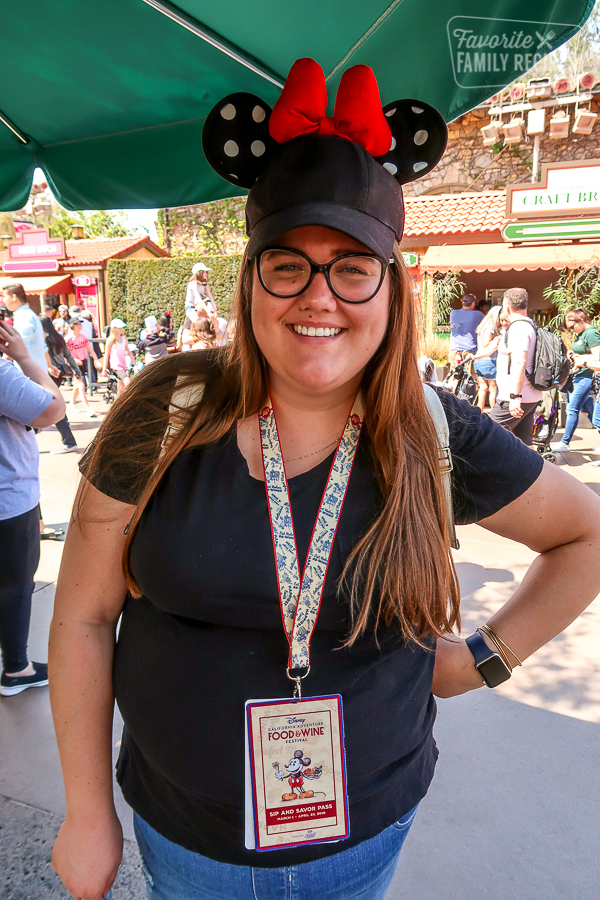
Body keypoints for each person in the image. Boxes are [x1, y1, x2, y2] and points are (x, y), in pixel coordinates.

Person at [49, 58, 600, 900]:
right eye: (288, 264)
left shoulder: (434, 428)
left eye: (351, 265)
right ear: (250, 279)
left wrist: (485, 659)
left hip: (367, 831)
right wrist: (85, 811)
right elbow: (84, 617)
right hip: (186, 838)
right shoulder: (163, 410)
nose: (319, 297)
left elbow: (585, 533)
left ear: (391, 286)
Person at [0, 319, 66, 696]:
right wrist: (24, 357)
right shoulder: (3, 373)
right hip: (8, 500)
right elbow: (51, 409)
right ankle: (17, 669)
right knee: (14, 585)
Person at [488, 288, 543, 446]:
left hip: (513, 398)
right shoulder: (531, 325)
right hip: (530, 395)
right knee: (524, 444)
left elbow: (519, 362)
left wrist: (515, 397)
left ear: (506, 307)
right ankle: (536, 470)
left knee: (485, 438)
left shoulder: (518, 328)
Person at [552, 308, 600, 453]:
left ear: (581, 320)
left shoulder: (591, 333)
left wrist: (582, 360)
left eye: (572, 327)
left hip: (587, 375)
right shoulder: (582, 334)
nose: (572, 331)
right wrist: (574, 354)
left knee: (572, 409)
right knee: (590, 411)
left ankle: (565, 442)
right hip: (580, 375)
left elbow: (598, 356)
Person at [1, 282, 59, 380]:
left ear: (14, 297)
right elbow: (43, 345)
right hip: (37, 372)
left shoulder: (23, 317)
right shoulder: (29, 314)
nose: (4, 300)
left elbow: (19, 345)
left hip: (29, 375)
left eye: (5, 296)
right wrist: (49, 365)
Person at [39, 315, 79, 454]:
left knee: (52, 405)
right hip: (60, 374)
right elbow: (68, 356)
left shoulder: (44, 340)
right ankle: (68, 440)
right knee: (50, 403)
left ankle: (69, 441)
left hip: (50, 374)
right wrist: (77, 370)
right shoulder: (59, 338)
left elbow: (46, 358)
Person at [470, 305, 502, 412]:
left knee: (483, 389)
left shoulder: (484, 325)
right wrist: (497, 340)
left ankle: (479, 412)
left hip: (480, 361)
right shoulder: (491, 327)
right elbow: (486, 343)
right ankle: (494, 415)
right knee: (493, 390)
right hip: (489, 361)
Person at [66, 319, 99, 417]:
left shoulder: (83, 337)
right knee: (81, 385)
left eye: (80, 324)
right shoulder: (68, 339)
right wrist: (74, 360)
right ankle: (88, 408)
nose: (80, 326)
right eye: (77, 324)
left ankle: (71, 403)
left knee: (77, 385)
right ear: (72, 326)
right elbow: (65, 354)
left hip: (82, 362)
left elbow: (90, 350)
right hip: (74, 364)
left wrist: (96, 360)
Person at [448, 293, 483, 367]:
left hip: (454, 349)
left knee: (454, 375)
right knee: (469, 376)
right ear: (473, 303)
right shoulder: (478, 315)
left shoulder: (453, 313)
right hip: (469, 350)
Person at [101, 318, 134, 395]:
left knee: (121, 387)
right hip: (116, 366)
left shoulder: (124, 338)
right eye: (119, 328)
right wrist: (104, 369)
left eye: (122, 328)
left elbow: (129, 352)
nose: (121, 329)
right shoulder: (111, 340)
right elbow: (106, 355)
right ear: (114, 329)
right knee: (127, 381)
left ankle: (117, 403)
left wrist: (135, 364)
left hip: (123, 365)